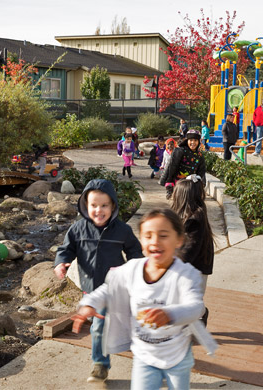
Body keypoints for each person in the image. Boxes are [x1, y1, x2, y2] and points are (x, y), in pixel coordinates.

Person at [71, 208, 216, 389]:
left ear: (179, 240)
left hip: (177, 356)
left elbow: (196, 307)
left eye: (163, 235)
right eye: (148, 236)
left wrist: (170, 314)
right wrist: (89, 303)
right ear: (141, 240)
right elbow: (109, 289)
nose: (155, 241)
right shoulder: (132, 269)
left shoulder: (186, 275)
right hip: (144, 356)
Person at [54, 179, 143, 383]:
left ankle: (126, 354)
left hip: (116, 287)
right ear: (86, 206)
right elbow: (65, 249)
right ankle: (101, 364)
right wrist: (61, 263)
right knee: (99, 326)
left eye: (104, 205)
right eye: (93, 205)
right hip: (91, 291)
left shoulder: (122, 230)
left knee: (110, 325)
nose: (99, 210)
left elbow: (134, 251)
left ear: (113, 206)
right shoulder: (78, 229)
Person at [171, 177, 214, 325]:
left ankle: (201, 313)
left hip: (197, 267)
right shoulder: (184, 216)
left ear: (183, 198)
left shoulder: (195, 220)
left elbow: (190, 249)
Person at [163, 130, 206, 200]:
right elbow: (172, 166)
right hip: (178, 184)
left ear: (198, 142)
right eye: (191, 140)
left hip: (190, 186)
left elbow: (201, 171)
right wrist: (169, 182)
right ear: (187, 141)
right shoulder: (180, 151)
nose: (193, 142)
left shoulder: (200, 156)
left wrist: (199, 184)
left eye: (195, 140)